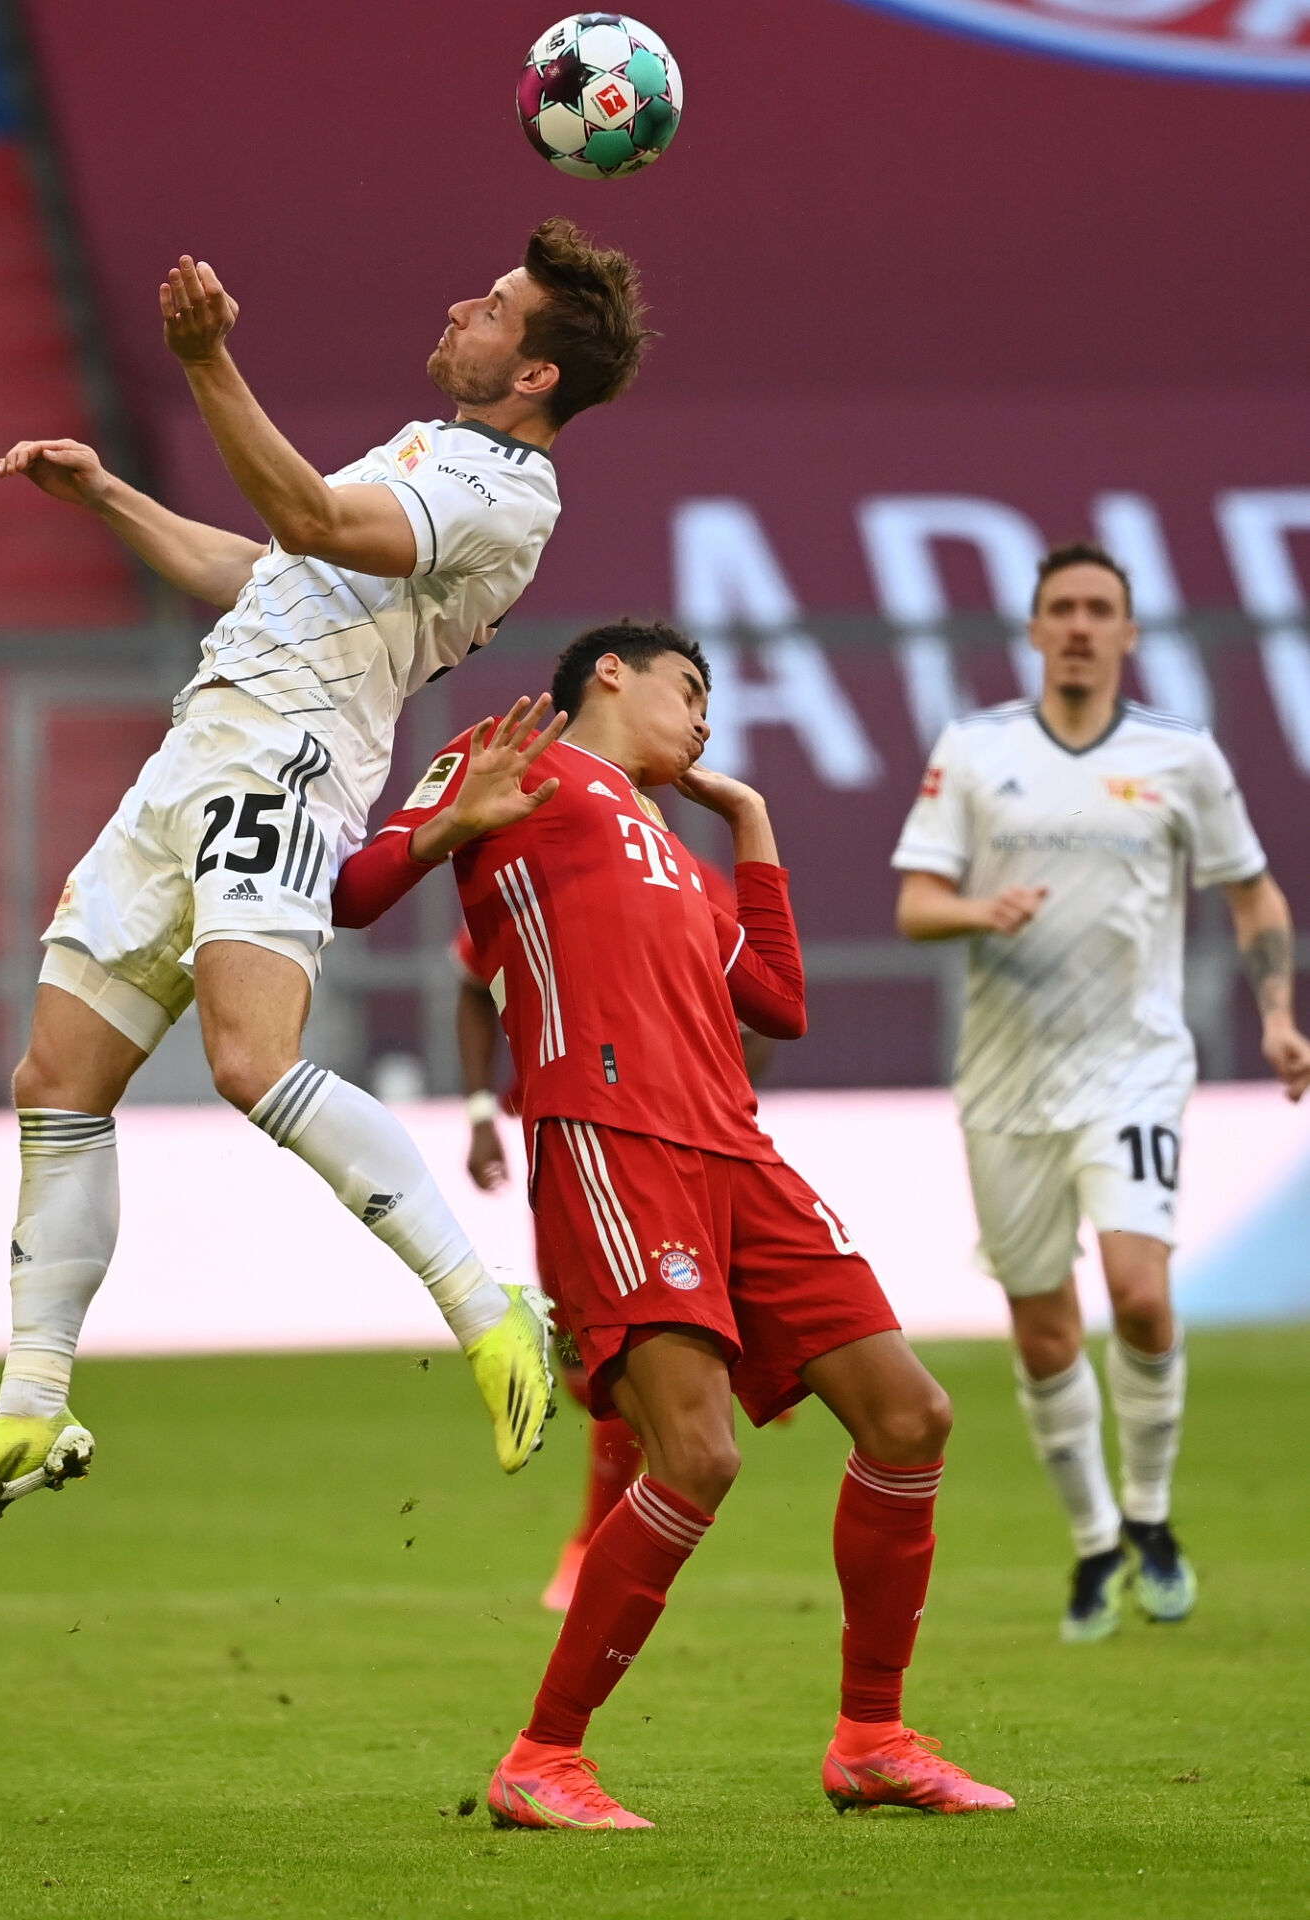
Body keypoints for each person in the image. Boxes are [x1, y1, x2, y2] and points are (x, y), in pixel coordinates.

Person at [0, 219, 653, 1532]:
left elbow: (306, 514)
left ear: (536, 373)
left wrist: (205, 362)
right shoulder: (434, 453)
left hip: (286, 763)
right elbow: (271, 570)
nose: (462, 308)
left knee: (253, 1061)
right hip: (196, 754)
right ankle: (34, 1401)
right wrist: (112, 498)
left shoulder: (506, 492)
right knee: (56, 1078)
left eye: (492, 306)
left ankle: (488, 1308)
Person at [333, 620, 1015, 1829]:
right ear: (611, 672)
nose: (705, 720)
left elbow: (780, 1004)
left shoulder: (674, 850)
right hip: (611, 1136)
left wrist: (750, 825)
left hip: (735, 1154)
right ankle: (543, 1758)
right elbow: (353, 892)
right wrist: (446, 827)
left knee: (911, 1417)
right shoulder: (515, 757)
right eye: (689, 689)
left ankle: (871, 1739)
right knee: (695, 1455)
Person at [892, 542, 1310, 1643]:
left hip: (1133, 1067)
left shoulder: (1181, 755)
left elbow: (1254, 893)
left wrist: (1277, 1014)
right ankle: (1092, 1543)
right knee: (1042, 1332)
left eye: (1098, 610)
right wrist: (978, 912)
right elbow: (917, 903)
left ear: (1128, 632)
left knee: (1138, 1295)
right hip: (1006, 1082)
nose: (1079, 626)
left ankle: (1153, 1517)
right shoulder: (975, 749)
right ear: (1034, 631)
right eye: (1062, 609)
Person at [450, 872, 780, 1614]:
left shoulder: (696, 885)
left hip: (660, 1155)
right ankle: (738, 1368)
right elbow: (471, 982)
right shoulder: (538, 875)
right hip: (564, 1149)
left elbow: (768, 1012)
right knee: (581, 1365)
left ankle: (593, 1543)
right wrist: (478, 1112)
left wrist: (710, 1106)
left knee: (633, 1349)